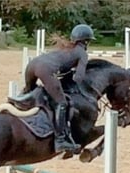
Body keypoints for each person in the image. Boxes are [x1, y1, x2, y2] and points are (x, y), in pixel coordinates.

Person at [19, 24, 96, 154]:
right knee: (62, 103)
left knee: (29, 93)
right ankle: (61, 140)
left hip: (31, 65)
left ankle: (16, 108)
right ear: (86, 41)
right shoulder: (81, 52)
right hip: (45, 70)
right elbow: (78, 78)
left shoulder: (66, 48)